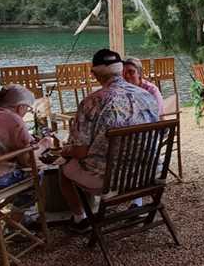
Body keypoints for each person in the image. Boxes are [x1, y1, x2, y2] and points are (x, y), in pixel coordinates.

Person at [59, 49, 159, 231]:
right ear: (121, 70)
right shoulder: (147, 95)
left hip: (112, 180)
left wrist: (65, 151)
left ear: (95, 74)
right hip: (149, 172)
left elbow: (80, 151)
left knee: (64, 169)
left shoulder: (92, 102)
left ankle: (80, 219)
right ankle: (135, 203)